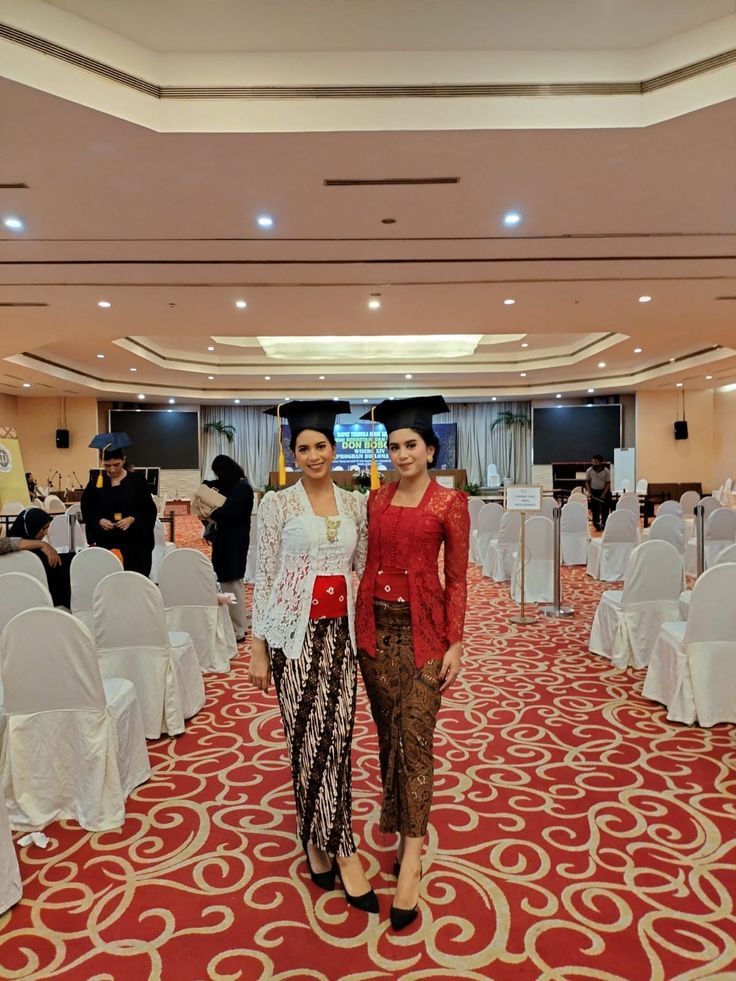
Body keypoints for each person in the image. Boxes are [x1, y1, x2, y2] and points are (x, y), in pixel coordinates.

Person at [248, 399, 377, 914]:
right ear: (292, 452)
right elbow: (264, 576)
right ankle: (337, 847)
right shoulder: (276, 505)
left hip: (339, 636)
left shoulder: (355, 505)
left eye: (320, 445)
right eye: (302, 447)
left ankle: (323, 836)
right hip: (291, 638)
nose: (312, 454)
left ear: (333, 447)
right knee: (305, 740)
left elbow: (361, 566)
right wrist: (258, 648)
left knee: (337, 737)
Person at [355, 395, 470, 931]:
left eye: (411, 446)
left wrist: (456, 642)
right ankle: (399, 824)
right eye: (394, 445)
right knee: (387, 735)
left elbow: (459, 578)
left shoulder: (450, 504)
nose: (402, 454)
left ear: (429, 449)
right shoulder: (376, 501)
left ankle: (412, 858)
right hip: (375, 634)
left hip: (425, 636)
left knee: (416, 737)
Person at [81, 447, 157, 575]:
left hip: (134, 539)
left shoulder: (137, 481)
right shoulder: (96, 483)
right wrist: (99, 520)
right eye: (107, 466)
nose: (112, 469)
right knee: (108, 576)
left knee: (135, 576)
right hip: (107, 539)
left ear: (124, 460)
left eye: (116, 464)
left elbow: (148, 509)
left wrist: (132, 518)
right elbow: (87, 509)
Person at [204, 454, 254, 641]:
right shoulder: (236, 486)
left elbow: (228, 512)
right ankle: (238, 623)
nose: (218, 477)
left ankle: (238, 628)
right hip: (227, 541)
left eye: (219, 473)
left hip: (233, 542)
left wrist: (210, 511)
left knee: (232, 585)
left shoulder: (241, 488)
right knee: (231, 584)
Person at [1, 506, 70, 606]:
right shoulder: (37, 556)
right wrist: (41, 544)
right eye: (43, 528)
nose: (45, 533)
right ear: (32, 527)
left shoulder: (10, 550)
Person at [585, 454, 612, 532]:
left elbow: (608, 483)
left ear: (601, 462)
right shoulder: (589, 470)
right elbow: (587, 482)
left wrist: (604, 494)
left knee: (605, 510)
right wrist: (589, 492)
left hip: (604, 491)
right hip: (594, 491)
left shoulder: (606, 471)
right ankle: (596, 525)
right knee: (595, 509)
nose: (594, 464)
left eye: (596, 462)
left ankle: (604, 525)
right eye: (593, 462)